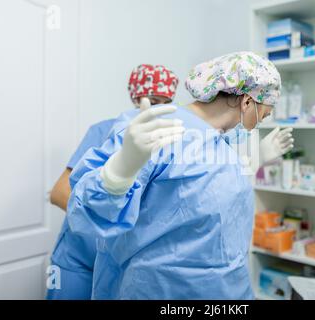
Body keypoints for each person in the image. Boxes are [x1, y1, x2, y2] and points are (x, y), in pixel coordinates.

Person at [66, 52, 294, 299]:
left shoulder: (222, 141)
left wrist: (254, 159)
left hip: (226, 291)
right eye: (264, 114)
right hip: (158, 290)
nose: (258, 124)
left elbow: (212, 201)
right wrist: (120, 169)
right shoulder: (159, 127)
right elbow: (87, 214)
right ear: (247, 102)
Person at [46, 64, 179, 300]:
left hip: (119, 262)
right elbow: (58, 193)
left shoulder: (171, 138)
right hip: (76, 258)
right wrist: (103, 219)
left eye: (164, 101)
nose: (157, 107)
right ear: (136, 98)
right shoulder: (105, 130)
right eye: (150, 100)